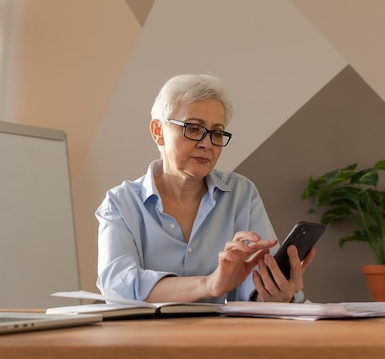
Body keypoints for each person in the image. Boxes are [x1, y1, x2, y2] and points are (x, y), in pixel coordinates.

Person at [96, 74, 315, 304]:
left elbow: (253, 287)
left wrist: (273, 292)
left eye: (217, 133)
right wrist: (209, 284)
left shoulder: (242, 194)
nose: (207, 143)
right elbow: (117, 285)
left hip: (226, 339)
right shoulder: (120, 203)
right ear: (158, 132)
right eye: (193, 128)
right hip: (149, 339)